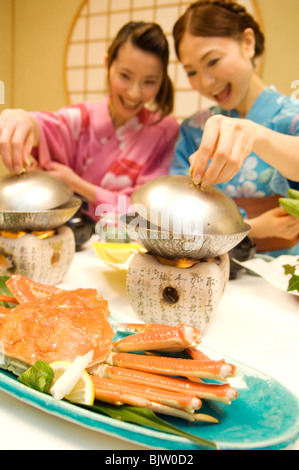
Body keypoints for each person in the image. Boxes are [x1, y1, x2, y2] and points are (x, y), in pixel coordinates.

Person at [0, 22, 178, 221]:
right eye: (125, 76)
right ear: (107, 64)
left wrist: (77, 184)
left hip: (125, 246)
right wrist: (21, 119)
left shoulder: (165, 132)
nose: (134, 93)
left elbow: (148, 210)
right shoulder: (80, 118)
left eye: (149, 82)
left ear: (162, 80)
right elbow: (44, 126)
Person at [170, 0, 299, 256]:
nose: (206, 82)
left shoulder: (293, 117)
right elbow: (177, 206)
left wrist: (258, 135)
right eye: (192, 71)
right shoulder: (194, 129)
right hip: (208, 267)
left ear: (248, 43)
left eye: (213, 61)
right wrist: (251, 227)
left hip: (282, 275)